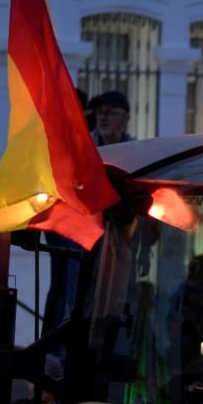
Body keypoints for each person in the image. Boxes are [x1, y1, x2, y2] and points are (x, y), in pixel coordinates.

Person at [42, 89, 132, 334]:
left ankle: (99, 346)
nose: (104, 118)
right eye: (101, 113)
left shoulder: (135, 150)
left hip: (118, 235)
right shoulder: (82, 146)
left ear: (126, 118)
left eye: (111, 113)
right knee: (71, 288)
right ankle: (63, 349)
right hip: (77, 230)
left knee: (113, 293)